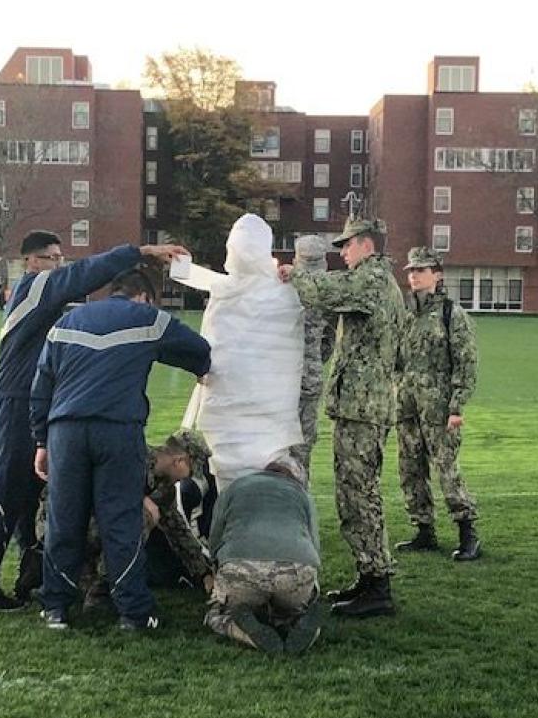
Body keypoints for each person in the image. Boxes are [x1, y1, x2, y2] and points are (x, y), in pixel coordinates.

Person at [0, 231, 187, 612]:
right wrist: (141, 252)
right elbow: (84, 273)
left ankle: (32, 573)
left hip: (40, 403)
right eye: (53, 258)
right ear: (32, 262)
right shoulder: (34, 288)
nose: (59, 265)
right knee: (4, 490)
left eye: (61, 258)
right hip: (17, 401)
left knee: (34, 493)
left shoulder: (42, 298)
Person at [30, 269, 211, 631]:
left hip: (66, 430)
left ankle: (57, 608)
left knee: (64, 519)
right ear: (144, 297)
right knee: (121, 520)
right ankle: (133, 612)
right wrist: (199, 369)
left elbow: (42, 383)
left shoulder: (67, 321)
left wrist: (41, 440)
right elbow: (198, 350)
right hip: (117, 429)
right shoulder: (148, 319)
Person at [279, 217, 404, 618]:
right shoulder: (376, 281)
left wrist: (293, 273)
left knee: (359, 494)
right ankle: (369, 579)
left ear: (365, 245)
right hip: (360, 405)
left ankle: (377, 585)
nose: (342, 255)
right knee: (354, 493)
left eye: (346, 247)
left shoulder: (371, 280)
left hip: (363, 408)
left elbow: (322, 293)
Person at [170, 213, 304, 491]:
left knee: (230, 479)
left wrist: (176, 262)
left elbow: (196, 277)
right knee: (259, 473)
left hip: (239, 402)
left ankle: (233, 520)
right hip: (258, 406)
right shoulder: (283, 291)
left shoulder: (230, 289)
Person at [395, 246, 481, 560]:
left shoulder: (451, 314)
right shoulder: (405, 314)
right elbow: (396, 359)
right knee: (410, 468)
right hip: (407, 407)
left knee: (447, 470)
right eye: (411, 271)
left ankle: (467, 531)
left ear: (437, 275)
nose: (414, 275)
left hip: (439, 409)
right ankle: (423, 530)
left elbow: (466, 362)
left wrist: (457, 406)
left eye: (421, 270)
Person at [79, 429, 215, 607]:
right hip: (76, 526)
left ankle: (95, 585)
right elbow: (97, 487)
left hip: (98, 533)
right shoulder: (132, 456)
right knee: (142, 517)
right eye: (190, 472)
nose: (186, 478)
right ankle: (104, 588)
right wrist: (139, 501)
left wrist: (203, 572)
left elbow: (178, 532)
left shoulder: (164, 487)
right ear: (179, 461)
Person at [204, 459, 321, 654]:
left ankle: (244, 631)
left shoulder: (234, 488)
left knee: (217, 612)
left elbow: (215, 538)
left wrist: (215, 570)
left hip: (241, 569)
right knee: (300, 604)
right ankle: (301, 623)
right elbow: (315, 546)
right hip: (295, 573)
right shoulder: (302, 495)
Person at [289, 235, 336, 481]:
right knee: (302, 448)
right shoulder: (328, 290)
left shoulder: (282, 287)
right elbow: (330, 337)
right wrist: (315, 359)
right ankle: (299, 501)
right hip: (309, 377)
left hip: (278, 378)